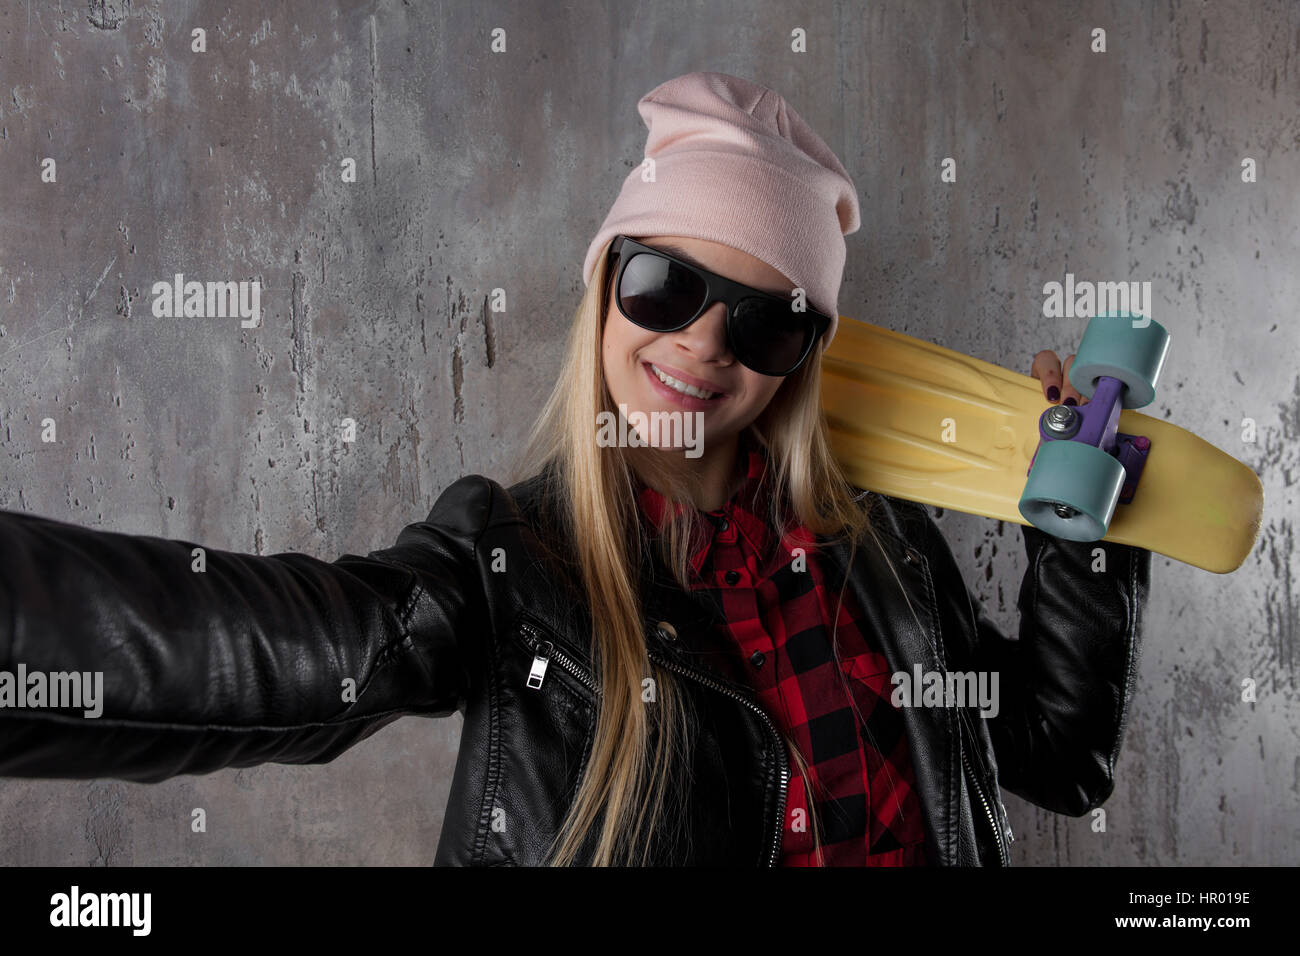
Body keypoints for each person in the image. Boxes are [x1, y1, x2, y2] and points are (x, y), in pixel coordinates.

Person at [0, 71, 1149, 867]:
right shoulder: (513, 569)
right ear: (604, 287)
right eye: (664, 286)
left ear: (799, 357)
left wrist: (1077, 528)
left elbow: (1057, 755)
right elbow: (279, 647)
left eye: (765, 322)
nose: (702, 342)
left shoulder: (880, 543)